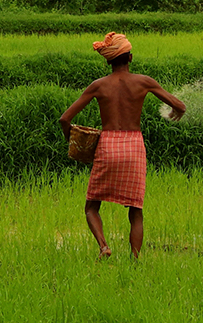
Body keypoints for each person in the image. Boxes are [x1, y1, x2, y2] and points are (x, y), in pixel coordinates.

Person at [58, 32, 185, 258]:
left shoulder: (98, 86)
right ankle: (135, 260)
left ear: (108, 61)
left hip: (108, 145)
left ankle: (104, 247)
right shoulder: (144, 82)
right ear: (130, 58)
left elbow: (64, 119)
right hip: (134, 146)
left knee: (91, 207)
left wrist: (74, 141)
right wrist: (175, 112)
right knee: (136, 211)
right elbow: (180, 106)